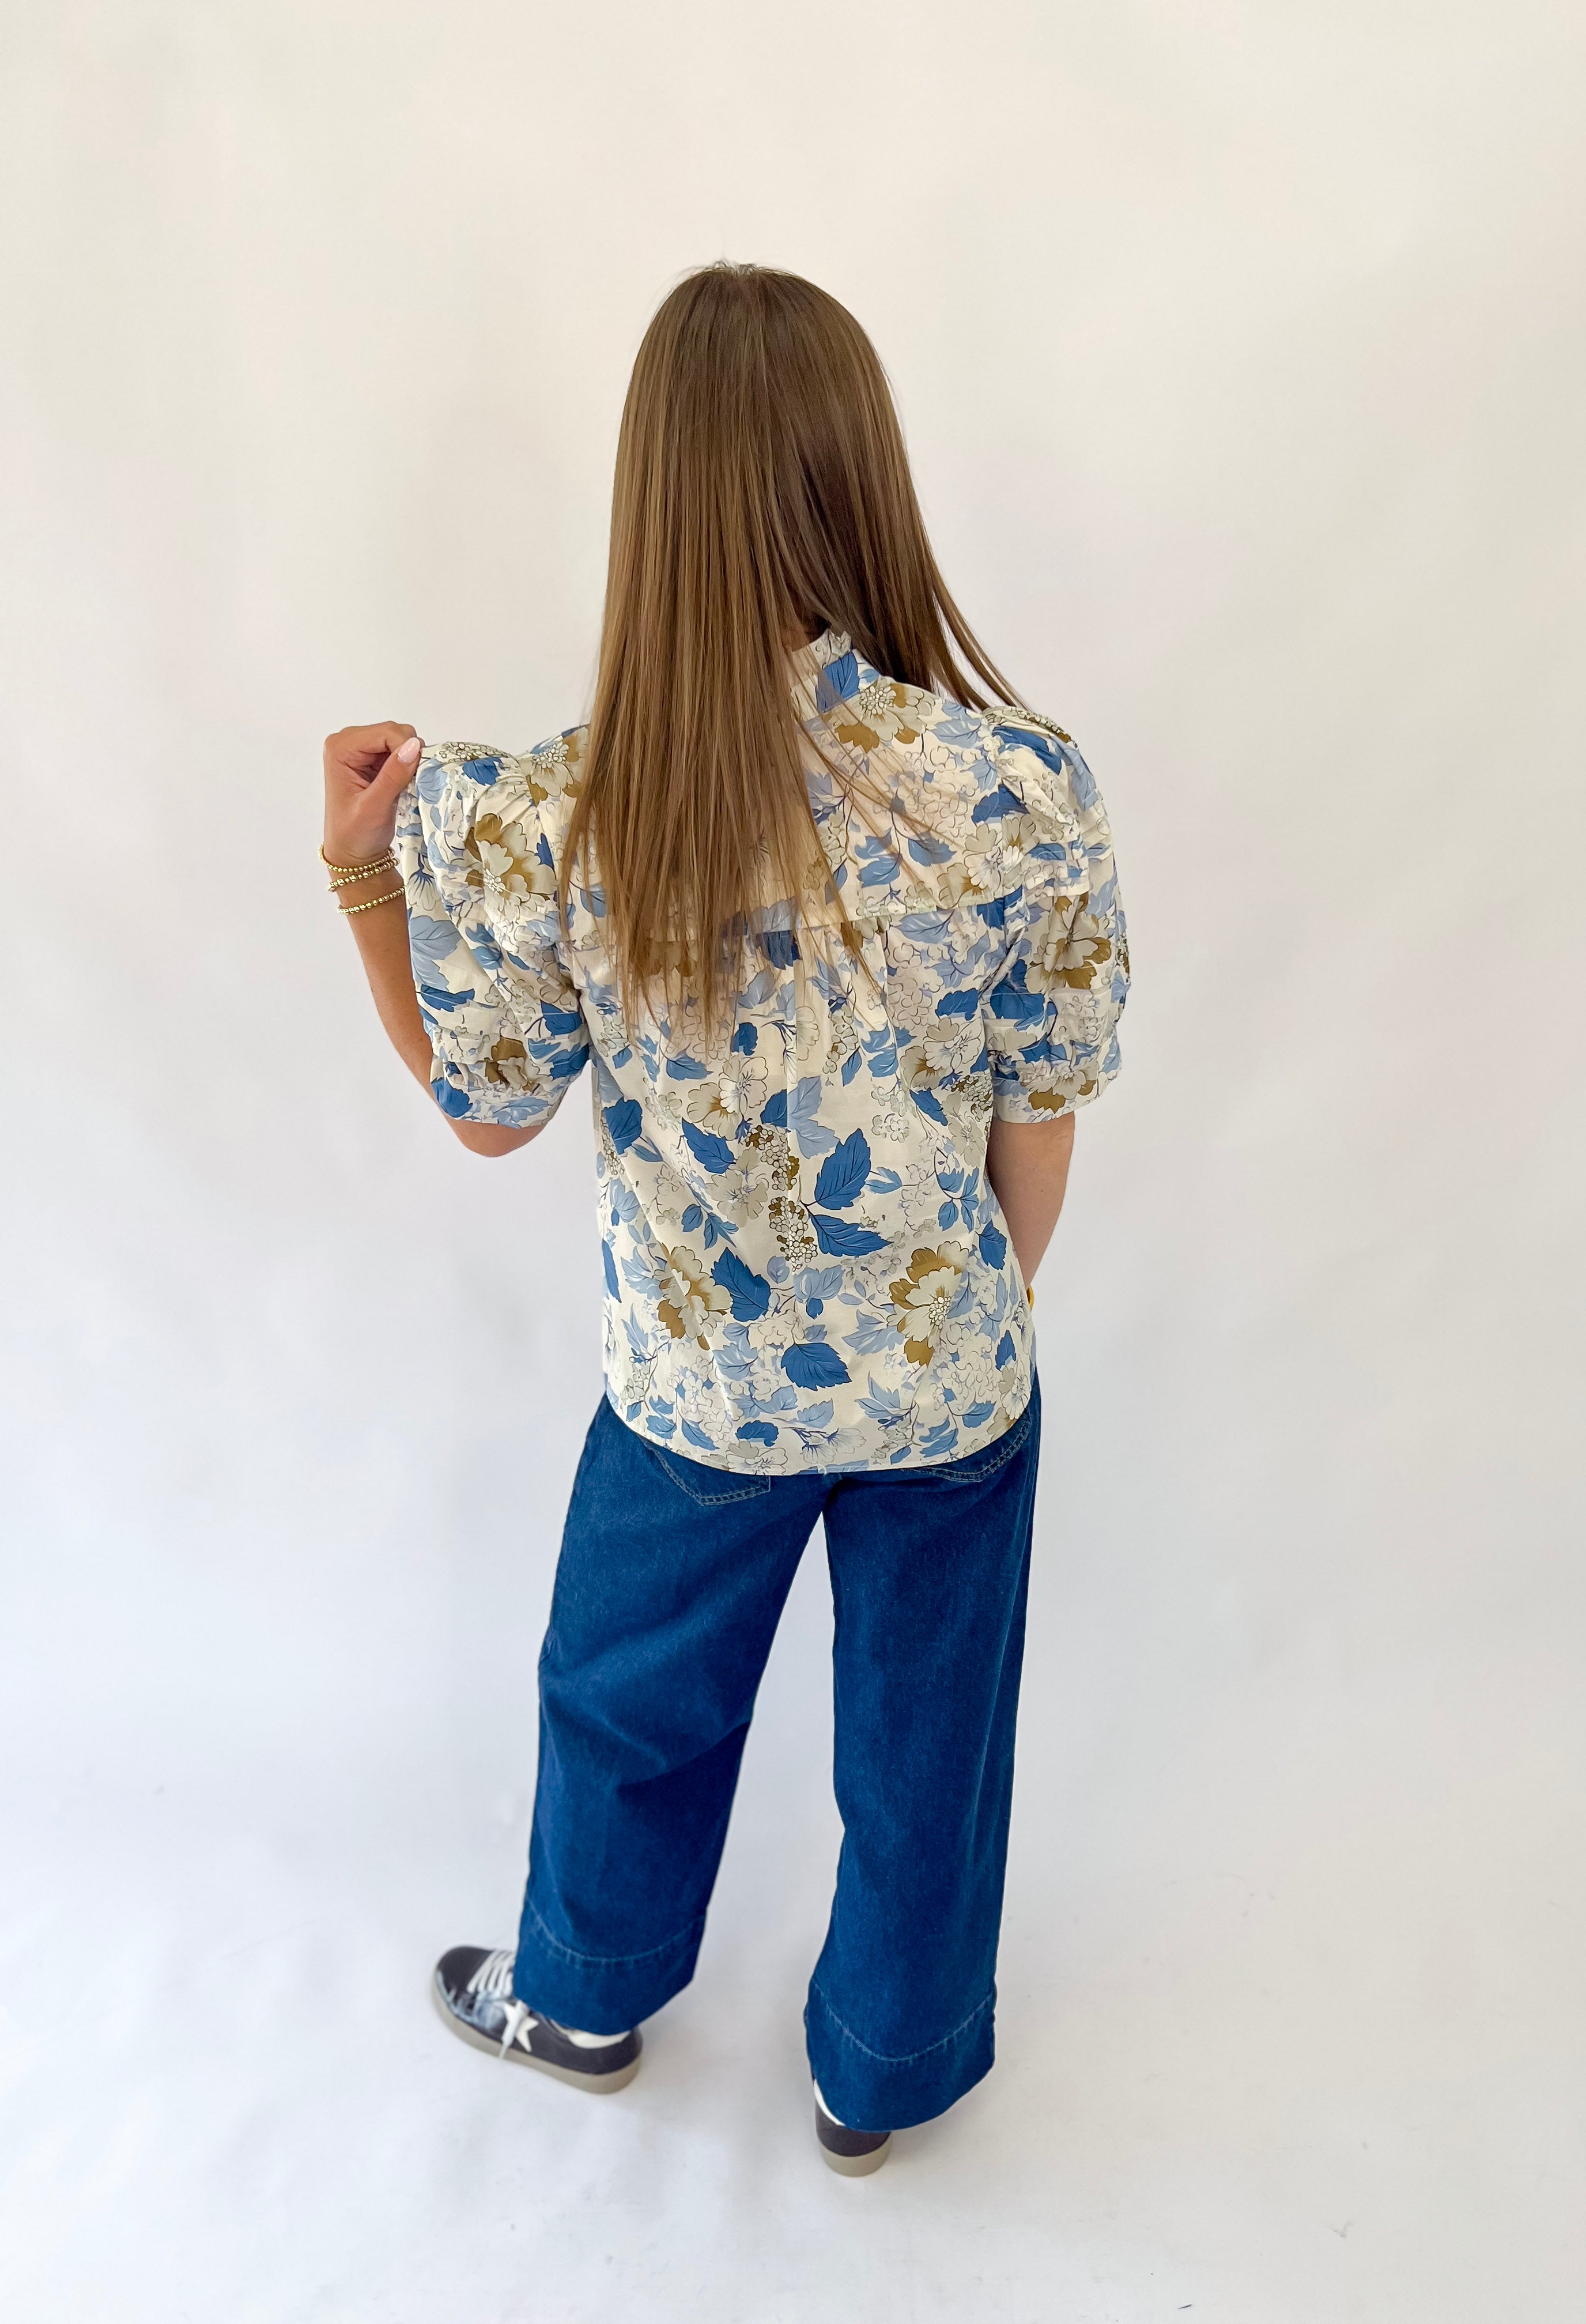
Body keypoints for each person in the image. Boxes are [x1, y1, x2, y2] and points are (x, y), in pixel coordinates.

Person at [319, 262, 1128, 2175]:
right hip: (947, 1378)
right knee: (933, 1745)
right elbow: (1044, 1115)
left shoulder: (559, 813)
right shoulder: (1018, 790)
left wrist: (365, 887)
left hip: (695, 1391)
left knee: (625, 1699)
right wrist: (970, 1319)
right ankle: (887, 2075)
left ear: (650, 504)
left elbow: (482, 1112)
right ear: (867, 480)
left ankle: (584, 1994)